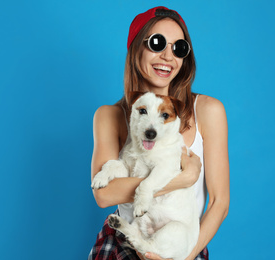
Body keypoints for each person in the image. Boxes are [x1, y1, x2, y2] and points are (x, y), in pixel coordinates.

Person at [89, 6, 229, 260]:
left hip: (181, 246)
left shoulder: (208, 110)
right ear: (136, 49)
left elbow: (220, 201)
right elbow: (104, 194)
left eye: (179, 48)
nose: (168, 56)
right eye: (157, 43)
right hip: (123, 243)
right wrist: (184, 178)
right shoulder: (109, 116)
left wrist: (186, 256)